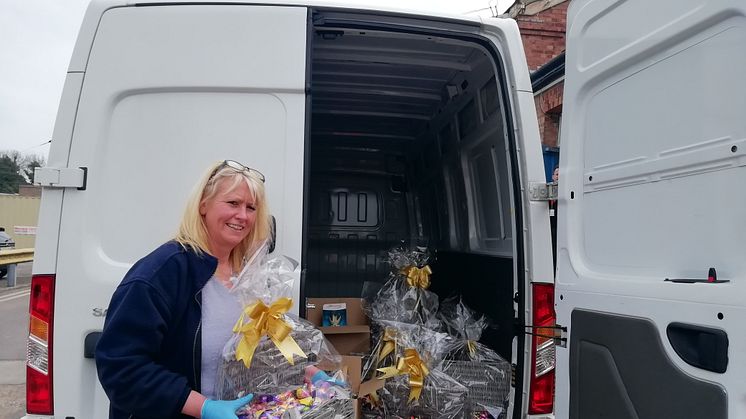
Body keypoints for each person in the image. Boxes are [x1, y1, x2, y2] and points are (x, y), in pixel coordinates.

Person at [95, 160, 272, 419]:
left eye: (251, 207)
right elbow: (121, 368)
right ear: (203, 205)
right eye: (233, 203)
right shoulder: (163, 272)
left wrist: (307, 373)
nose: (243, 216)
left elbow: (260, 350)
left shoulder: (247, 276)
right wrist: (203, 407)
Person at [549, 165, 559, 273]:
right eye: (556, 175)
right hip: (550, 228)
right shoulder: (548, 191)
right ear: (553, 176)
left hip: (559, 228)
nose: (558, 177)